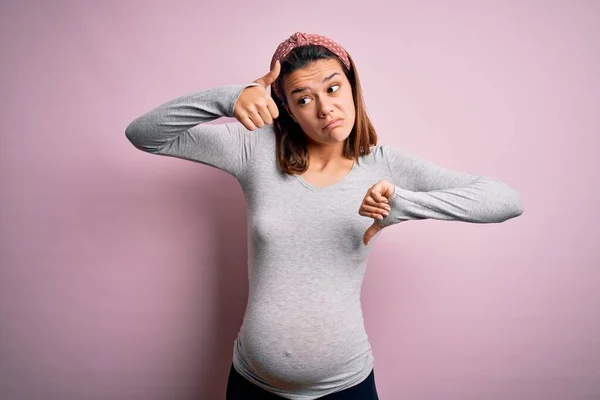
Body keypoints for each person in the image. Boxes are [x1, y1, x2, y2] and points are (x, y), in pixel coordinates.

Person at [125, 31, 524, 400]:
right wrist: (230, 98)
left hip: (346, 386)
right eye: (303, 98)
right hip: (253, 385)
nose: (324, 107)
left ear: (352, 86)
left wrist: (405, 205)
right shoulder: (255, 150)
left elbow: (505, 200)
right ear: (288, 110)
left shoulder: (384, 165)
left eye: (333, 88)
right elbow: (143, 134)